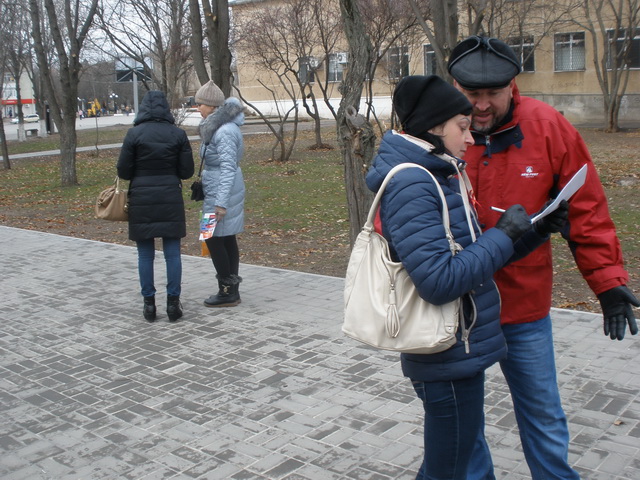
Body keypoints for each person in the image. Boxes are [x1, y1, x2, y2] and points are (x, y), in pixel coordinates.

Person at [447, 35, 640, 479]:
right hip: (459, 305)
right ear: (455, 87)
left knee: (542, 413)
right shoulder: (440, 126)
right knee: (462, 422)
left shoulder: (548, 126)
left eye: (490, 94)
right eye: (470, 94)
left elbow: (586, 208)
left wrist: (607, 282)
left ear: (512, 85)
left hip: (523, 304)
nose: (480, 105)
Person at [365, 75, 562, 479]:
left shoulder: (440, 175)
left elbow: (475, 261)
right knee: (448, 470)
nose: (470, 138)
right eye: (462, 125)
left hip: (458, 353)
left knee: (452, 464)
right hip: (444, 356)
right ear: (434, 127)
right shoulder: (412, 184)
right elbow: (440, 282)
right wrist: (502, 233)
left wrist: (535, 230)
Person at [117, 90, 194, 322]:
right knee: (172, 253)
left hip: (142, 198)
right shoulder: (178, 134)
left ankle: (149, 305)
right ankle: (173, 304)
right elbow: (186, 171)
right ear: (166, 109)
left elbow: (124, 171)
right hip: (170, 196)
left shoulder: (134, 134)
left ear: (143, 109)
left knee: (145, 255)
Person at [194, 80, 246, 307]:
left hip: (220, 190)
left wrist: (221, 203)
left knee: (211, 236)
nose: (198, 108)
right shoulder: (218, 126)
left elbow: (227, 167)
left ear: (213, 106)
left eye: (201, 104)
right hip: (217, 187)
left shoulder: (223, 131)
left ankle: (227, 290)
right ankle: (229, 288)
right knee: (225, 237)